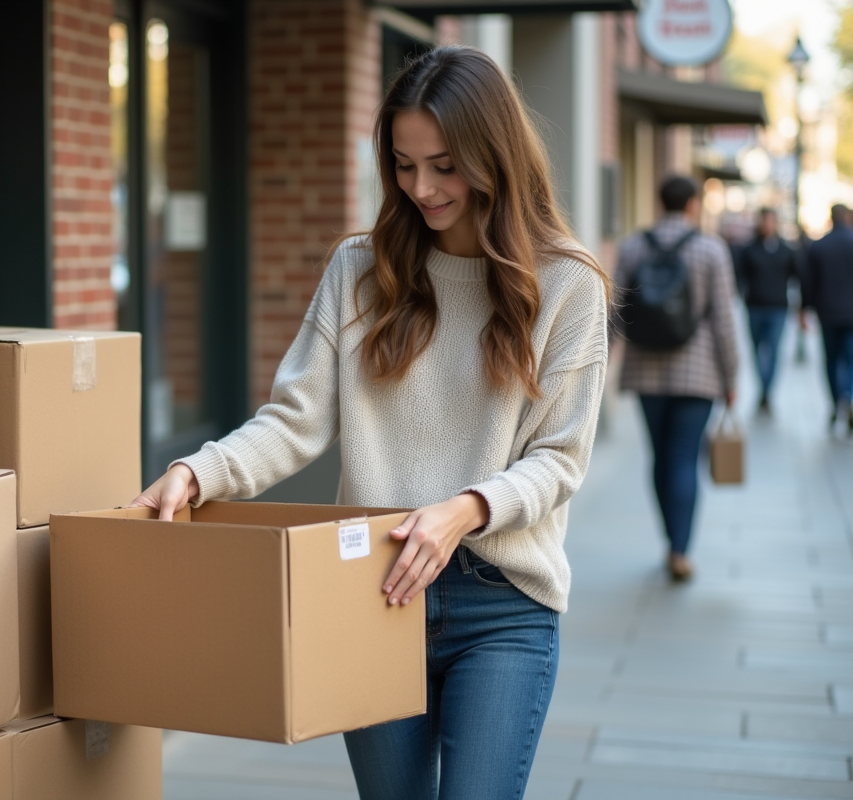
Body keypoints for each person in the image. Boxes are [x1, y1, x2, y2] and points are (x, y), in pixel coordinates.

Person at [132, 46, 610, 800]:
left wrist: (464, 510)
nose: (421, 188)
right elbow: (295, 419)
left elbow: (559, 458)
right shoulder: (361, 268)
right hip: (373, 591)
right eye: (404, 164)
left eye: (445, 166)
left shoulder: (565, 284)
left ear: (495, 157)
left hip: (503, 605)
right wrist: (200, 471)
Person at [614, 175, 739, 582]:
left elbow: (616, 310)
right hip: (698, 371)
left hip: (645, 369)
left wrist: (600, 363)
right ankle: (680, 549)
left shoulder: (633, 246)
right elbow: (723, 320)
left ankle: (670, 537)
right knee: (684, 457)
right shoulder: (711, 249)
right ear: (692, 205)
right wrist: (731, 376)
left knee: (660, 457)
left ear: (659, 202)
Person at [735, 208, 798, 412]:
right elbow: (739, 276)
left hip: (778, 308)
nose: (767, 225)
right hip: (755, 307)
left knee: (773, 351)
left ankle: (767, 392)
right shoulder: (749, 249)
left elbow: (796, 274)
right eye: (764, 221)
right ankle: (762, 387)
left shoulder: (786, 250)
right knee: (757, 351)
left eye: (771, 221)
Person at [803, 204, 853, 433]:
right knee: (850, 359)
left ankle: (836, 401)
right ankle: (847, 396)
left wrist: (804, 309)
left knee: (831, 360)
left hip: (828, 313)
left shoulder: (819, 246)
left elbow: (808, 282)